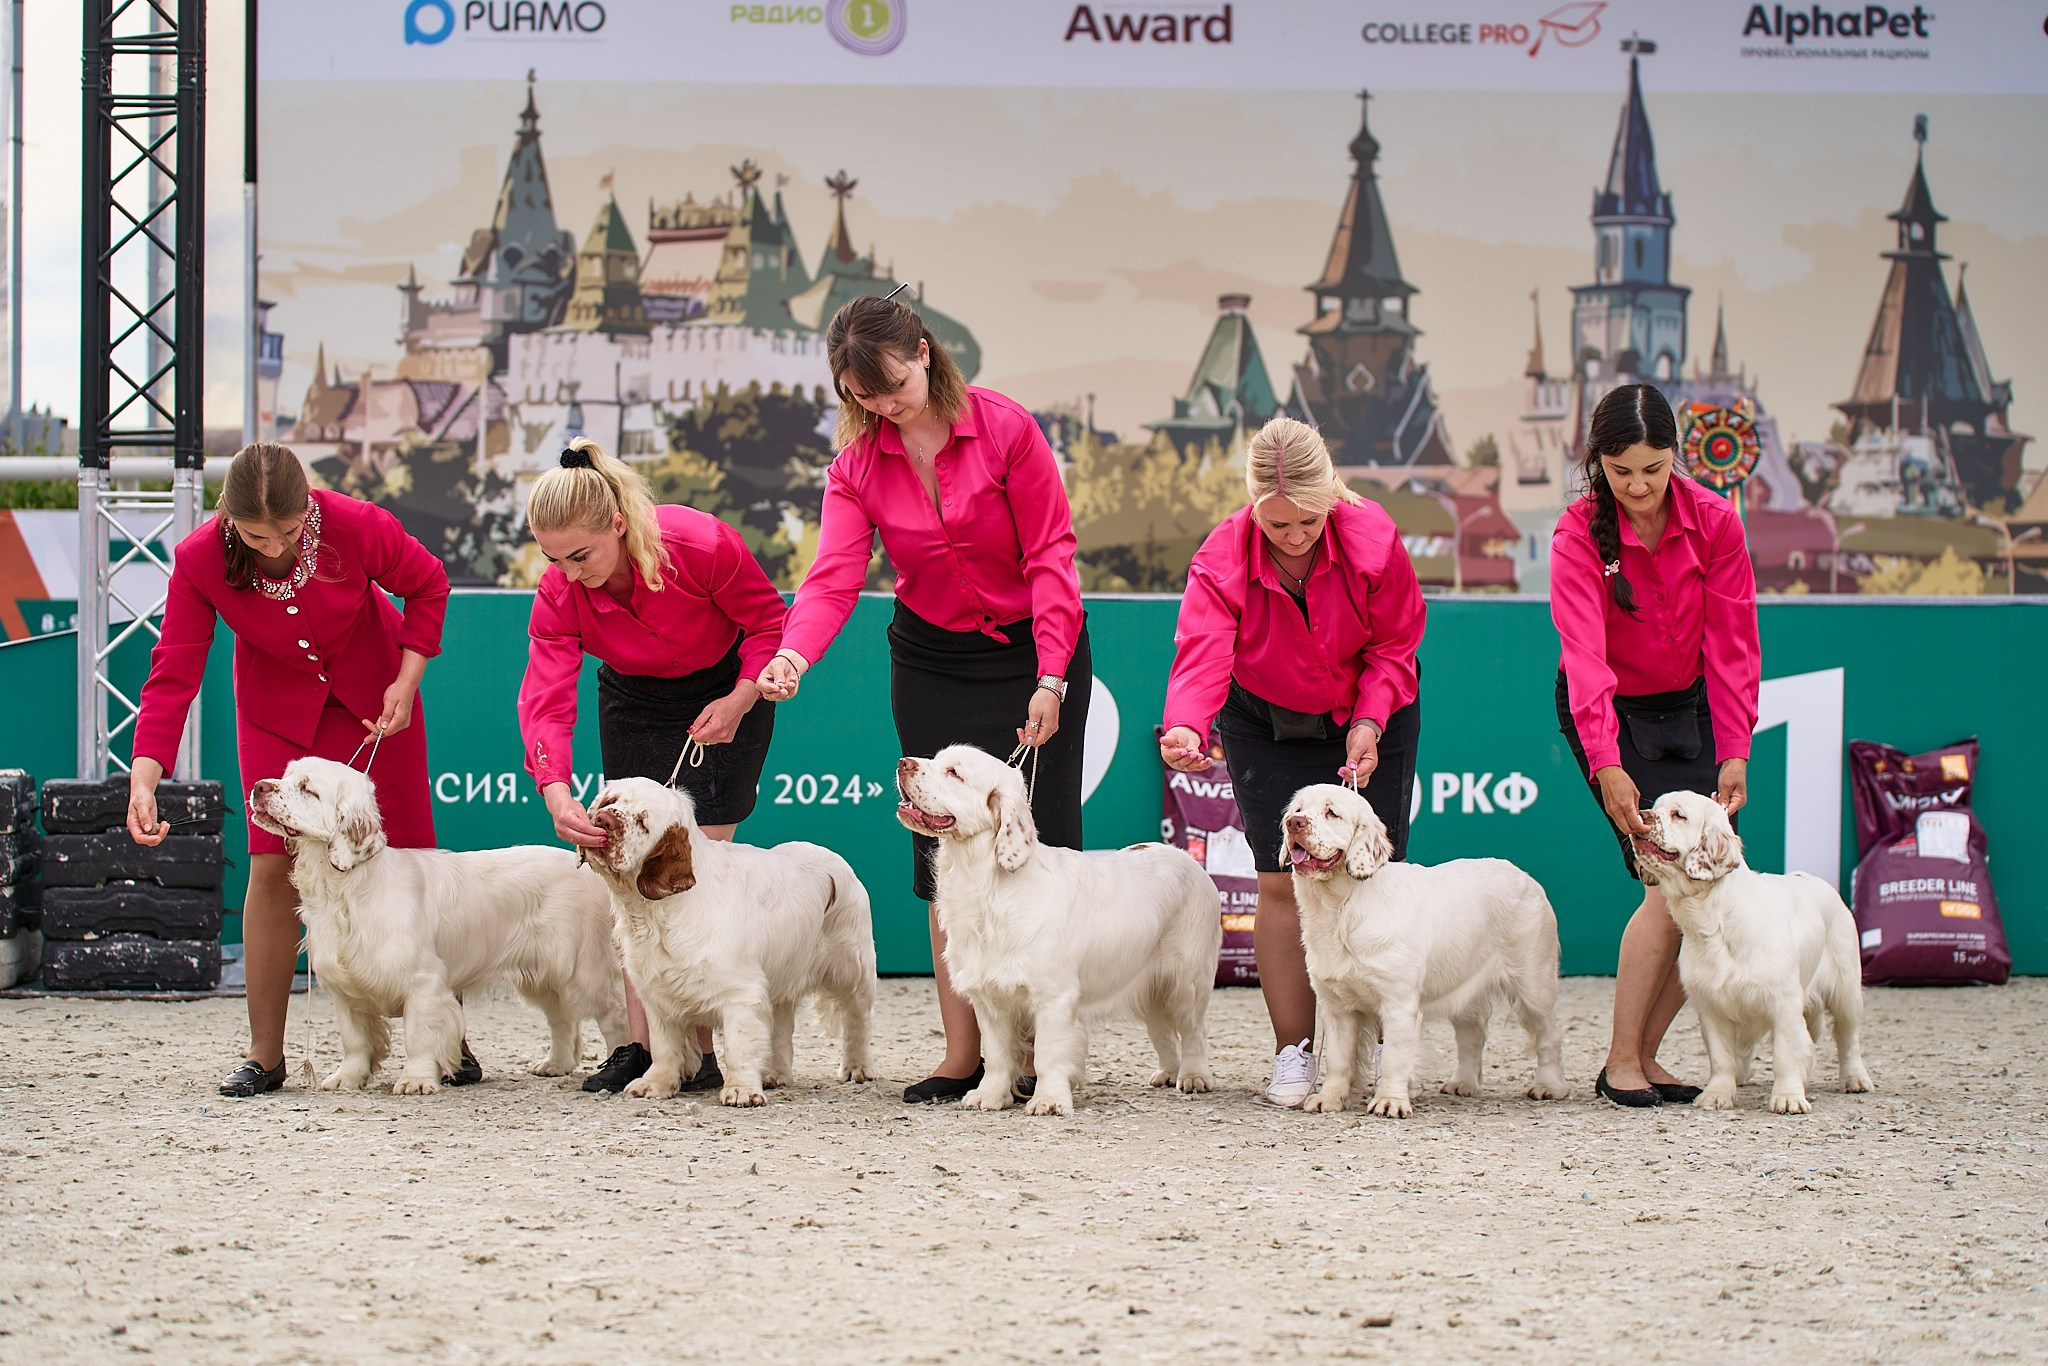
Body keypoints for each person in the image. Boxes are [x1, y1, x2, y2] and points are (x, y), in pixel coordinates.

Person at [755, 292, 1090, 1105]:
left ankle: (1048, 1055)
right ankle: (964, 1054)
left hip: (1033, 654)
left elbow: (1051, 555)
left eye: (890, 384)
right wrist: (792, 655)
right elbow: (833, 576)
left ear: (924, 354)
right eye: (860, 396)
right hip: (933, 661)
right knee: (945, 861)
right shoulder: (857, 466)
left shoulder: (1007, 429)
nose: (880, 405)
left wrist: (1051, 676)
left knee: (1036, 855)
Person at [126, 443, 452, 1097]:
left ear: (310, 508)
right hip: (275, 718)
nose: (274, 546)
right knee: (273, 867)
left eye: (290, 530)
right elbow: (175, 669)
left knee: (407, 865)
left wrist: (407, 680)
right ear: (228, 517)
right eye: (255, 535)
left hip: (376, 703)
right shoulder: (196, 559)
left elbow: (427, 585)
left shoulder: (358, 523)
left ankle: (447, 1043)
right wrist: (145, 772)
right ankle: (265, 1054)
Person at [1159, 416, 1425, 1109]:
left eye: (1309, 520)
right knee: (1281, 879)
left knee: (1373, 874)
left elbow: (1395, 645)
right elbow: (1201, 653)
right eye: (1278, 527)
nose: (1296, 536)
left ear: (1331, 496)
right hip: (1264, 719)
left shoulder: (1372, 540)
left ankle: (1380, 1045)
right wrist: (1187, 723)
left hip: (1371, 709)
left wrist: (1370, 719)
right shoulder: (1221, 558)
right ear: (1254, 508)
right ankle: (1294, 1052)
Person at [518, 436, 787, 1095]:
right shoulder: (558, 591)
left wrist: (740, 698)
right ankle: (649, 1049)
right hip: (633, 700)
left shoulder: (700, 543)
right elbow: (546, 698)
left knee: (695, 870)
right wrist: (555, 790)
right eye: (554, 559)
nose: (570, 572)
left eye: (581, 555)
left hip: (726, 691)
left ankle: (712, 1048)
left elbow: (768, 624)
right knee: (630, 878)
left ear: (617, 523)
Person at [1551, 382, 1760, 1108]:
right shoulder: (1578, 533)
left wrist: (1735, 748)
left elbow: (1734, 646)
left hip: (1696, 709)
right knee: (1662, 885)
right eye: (1621, 471)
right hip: (1610, 712)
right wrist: (1606, 763)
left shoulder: (1715, 522)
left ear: (1677, 457)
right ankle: (1619, 1060)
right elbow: (1585, 657)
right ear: (1597, 464)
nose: (1638, 487)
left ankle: (1640, 1056)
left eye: (1654, 469)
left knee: (1702, 883)